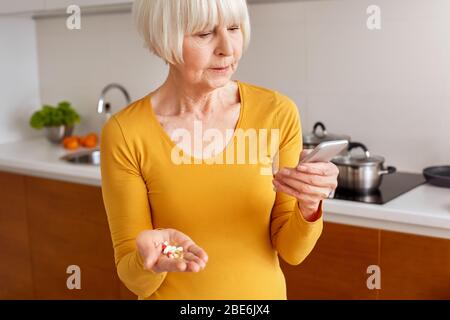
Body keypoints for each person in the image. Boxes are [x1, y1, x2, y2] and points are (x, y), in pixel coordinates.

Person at [100, 0, 339, 300]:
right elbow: (135, 279)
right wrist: (153, 261)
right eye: (203, 34)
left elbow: (292, 251)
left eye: (234, 28)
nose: (228, 48)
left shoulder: (276, 113)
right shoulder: (126, 133)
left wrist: (309, 205)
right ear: (164, 39)